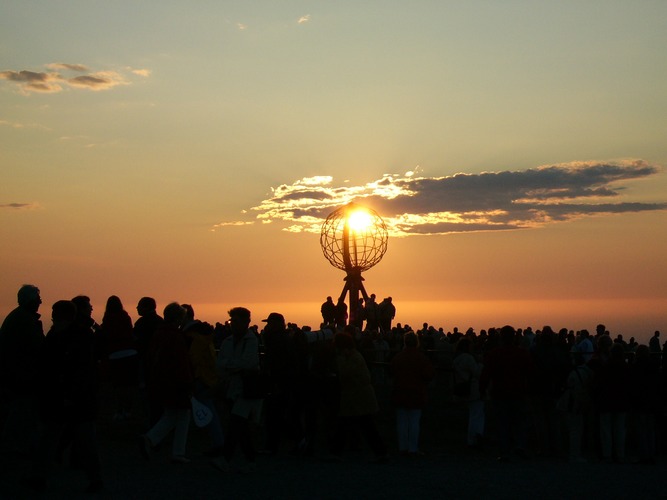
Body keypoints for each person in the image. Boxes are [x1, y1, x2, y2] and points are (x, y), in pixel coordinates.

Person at [23, 300, 102, 493]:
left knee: (60, 440)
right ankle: (39, 477)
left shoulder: (64, 336)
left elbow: (79, 370)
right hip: (68, 398)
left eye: (54, 312)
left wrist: (70, 394)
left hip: (72, 398)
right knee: (67, 440)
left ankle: (93, 480)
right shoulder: (78, 335)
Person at [140, 302, 193, 463]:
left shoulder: (158, 334)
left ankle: (150, 439)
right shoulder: (176, 336)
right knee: (183, 415)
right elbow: (181, 363)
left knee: (170, 414)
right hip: (176, 382)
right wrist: (187, 383)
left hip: (160, 380)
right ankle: (177, 451)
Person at [212, 307, 263, 473]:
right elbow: (221, 365)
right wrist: (234, 366)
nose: (233, 325)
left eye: (236, 321)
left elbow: (246, 363)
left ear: (246, 322)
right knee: (240, 427)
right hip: (232, 387)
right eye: (232, 321)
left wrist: (230, 366)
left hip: (246, 388)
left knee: (236, 423)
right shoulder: (228, 341)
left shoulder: (251, 341)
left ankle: (225, 458)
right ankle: (251, 460)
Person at [329, 329, 388, 462]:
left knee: (359, 426)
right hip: (359, 398)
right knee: (365, 426)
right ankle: (380, 452)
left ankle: (336, 452)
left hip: (357, 398)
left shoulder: (351, 358)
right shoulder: (355, 356)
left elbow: (345, 373)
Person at [0, 284, 44, 456]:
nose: (41, 301)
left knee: (21, 411)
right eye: (38, 298)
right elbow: (35, 347)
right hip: (21, 375)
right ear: (31, 300)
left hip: (17, 373)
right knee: (23, 410)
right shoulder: (25, 320)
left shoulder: (19, 317)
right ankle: (19, 446)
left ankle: (20, 445)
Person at [479, 325, 534, 461]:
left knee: (502, 423)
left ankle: (504, 451)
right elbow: (531, 373)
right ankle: (520, 446)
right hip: (518, 392)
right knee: (519, 421)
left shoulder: (494, 354)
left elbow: (486, 374)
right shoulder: (522, 354)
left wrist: (482, 390)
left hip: (499, 393)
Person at [183, 306, 224, 457]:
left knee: (206, 411)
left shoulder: (191, 336)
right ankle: (218, 441)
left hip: (199, 378)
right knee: (209, 410)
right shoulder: (204, 334)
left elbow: (193, 359)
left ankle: (218, 442)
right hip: (208, 377)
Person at [261, 312, 300, 455]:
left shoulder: (276, 340)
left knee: (275, 415)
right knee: (279, 414)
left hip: (279, 381)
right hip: (284, 381)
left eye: (269, 323)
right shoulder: (284, 338)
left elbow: (278, 362)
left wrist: (275, 381)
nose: (267, 326)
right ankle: (289, 442)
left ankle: (273, 445)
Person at [390, 331, 435, 455]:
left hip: (400, 392)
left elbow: (391, 372)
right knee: (414, 421)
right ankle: (413, 448)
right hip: (416, 393)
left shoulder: (398, 357)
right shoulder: (421, 358)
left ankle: (402, 446)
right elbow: (429, 374)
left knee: (402, 422)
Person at [100, 295, 137, 421]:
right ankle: (128, 410)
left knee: (118, 385)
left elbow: (105, 336)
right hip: (130, 353)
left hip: (115, 354)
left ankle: (119, 410)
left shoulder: (108, 318)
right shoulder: (125, 316)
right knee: (129, 384)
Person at [133, 297, 164, 427]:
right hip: (159, 363)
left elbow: (136, 341)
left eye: (139, 306)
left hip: (145, 361)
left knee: (146, 394)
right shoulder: (160, 322)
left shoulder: (141, 323)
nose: (137, 308)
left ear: (145, 307)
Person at [452, 337, 485, 448]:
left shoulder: (456, 359)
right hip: (473, 389)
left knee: (473, 414)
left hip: (463, 387)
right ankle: (475, 437)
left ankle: (473, 438)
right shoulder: (469, 358)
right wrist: (480, 364)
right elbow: (477, 373)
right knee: (476, 414)